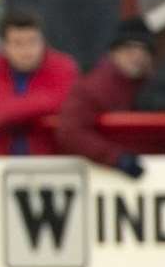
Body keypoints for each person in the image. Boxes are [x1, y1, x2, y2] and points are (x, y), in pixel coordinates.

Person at [0, 6, 78, 155]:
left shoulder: (63, 66)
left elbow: (65, 99)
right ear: (4, 46)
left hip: (50, 166)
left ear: (43, 41)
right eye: (17, 43)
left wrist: (10, 111)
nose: (27, 51)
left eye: (33, 42)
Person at [56, 18, 154, 178]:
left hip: (154, 178)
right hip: (104, 180)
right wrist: (116, 157)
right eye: (129, 49)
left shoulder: (156, 87)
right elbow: (70, 131)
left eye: (143, 50)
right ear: (114, 52)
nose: (137, 56)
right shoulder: (93, 87)